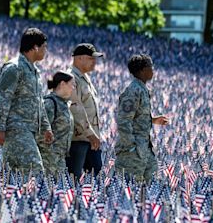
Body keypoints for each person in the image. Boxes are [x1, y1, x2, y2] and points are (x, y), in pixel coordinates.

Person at [0, 28, 53, 174]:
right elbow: (2, 99)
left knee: (12, 175)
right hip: (16, 130)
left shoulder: (34, 71)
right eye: (44, 47)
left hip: (30, 130)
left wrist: (46, 127)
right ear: (35, 47)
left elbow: (39, 102)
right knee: (35, 170)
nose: (46, 51)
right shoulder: (14, 68)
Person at [114, 54, 169, 182]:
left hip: (144, 148)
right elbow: (123, 121)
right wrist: (131, 147)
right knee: (130, 188)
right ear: (143, 70)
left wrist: (153, 120)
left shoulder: (142, 89)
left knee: (152, 184)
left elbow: (137, 116)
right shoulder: (133, 91)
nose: (153, 70)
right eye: (151, 67)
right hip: (132, 151)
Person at [66, 43, 103, 178]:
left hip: (90, 139)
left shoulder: (85, 78)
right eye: (91, 58)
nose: (94, 62)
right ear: (79, 58)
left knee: (95, 178)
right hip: (78, 139)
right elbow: (75, 108)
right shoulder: (71, 78)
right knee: (73, 179)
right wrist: (90, 134)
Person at [38, 71, 75, 176]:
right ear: (62, 84)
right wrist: (50, 149)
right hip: (48, 159)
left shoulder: (63, 104)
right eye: (72, 84)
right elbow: (40, 130)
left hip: (59, 158)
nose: (73, 88)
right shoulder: (50, 103)